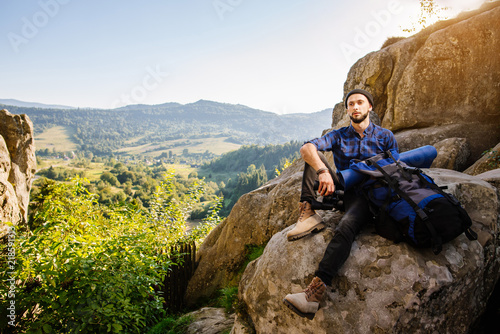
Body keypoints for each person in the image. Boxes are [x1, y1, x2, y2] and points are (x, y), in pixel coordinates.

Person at [283, 89, 399, 320]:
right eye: (351, 104)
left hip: (371, 196)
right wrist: (324, 171)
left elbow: (396, 171)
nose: (355, 107)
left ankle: (313, 295)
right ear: (347, 109)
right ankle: (308, 214)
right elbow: (307, 148)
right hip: (342, 190)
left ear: (370, 107)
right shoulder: (339, 135)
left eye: (360, 103)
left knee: (345, 226)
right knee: (312, 157)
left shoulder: (385, 136)